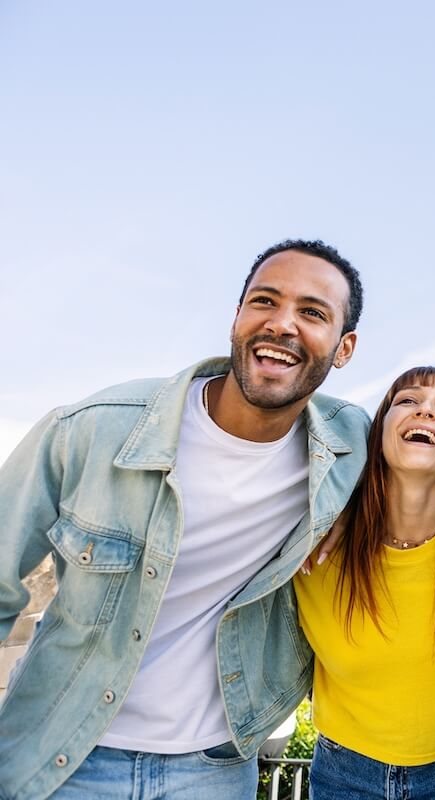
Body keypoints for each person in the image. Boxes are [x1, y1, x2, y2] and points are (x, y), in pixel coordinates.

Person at [0, 239, 368, 800]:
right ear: (237, 319)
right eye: (264, 302)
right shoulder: (91, 431)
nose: (281, 324)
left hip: (213, 769)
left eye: (312, 313)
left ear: (344, 349)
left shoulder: (351, 447)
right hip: (61, 756)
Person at [294, 366, 435, 799]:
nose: (425, 412)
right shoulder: (316, 540)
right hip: (342, 773)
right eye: (408, 401)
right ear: (377, 435)